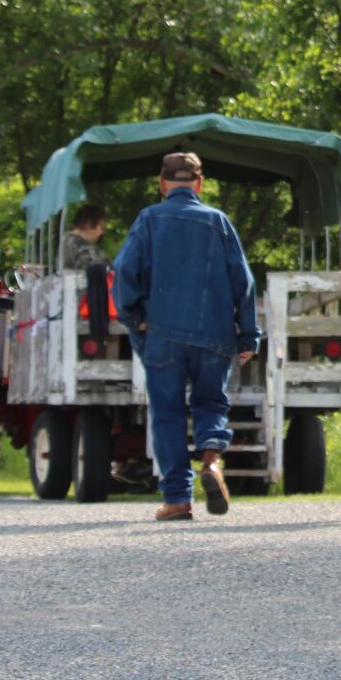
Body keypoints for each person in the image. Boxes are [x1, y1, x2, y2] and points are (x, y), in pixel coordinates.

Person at [115, 152, 260, 521]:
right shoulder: (219, 222)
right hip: (214, 334)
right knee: (211, 402)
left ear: (162, 183)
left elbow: (125, 272)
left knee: (167, 413)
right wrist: (248, 336)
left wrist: (135, 317)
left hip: (162, 334)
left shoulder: (148, 220)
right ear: (199, 184)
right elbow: (243, 283)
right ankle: (211, 459)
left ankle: (178, 498)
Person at [59, 203, 109, 272]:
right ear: (89, 223)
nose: (101, 232)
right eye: (102, 227)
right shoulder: (78, 246)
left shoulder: (69, 242)